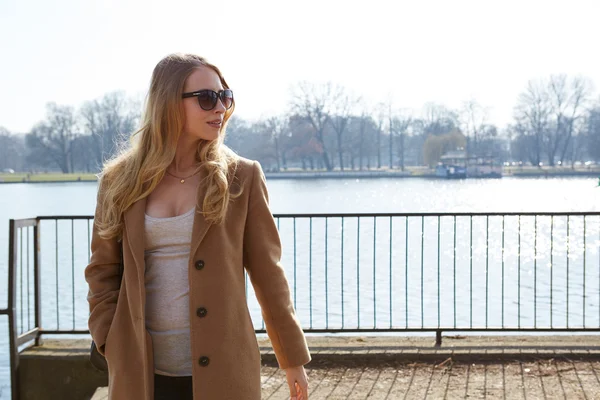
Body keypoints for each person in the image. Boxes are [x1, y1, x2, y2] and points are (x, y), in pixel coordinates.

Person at [85, 53, 311, 400]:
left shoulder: (241, 177)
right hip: (141, 372)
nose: (219, 108)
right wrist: (108, 339)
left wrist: (292, 358)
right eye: (206, 98)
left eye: (225, 97)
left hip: (224, 371)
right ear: (169, 103)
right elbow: (103, 271)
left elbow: (269, 275)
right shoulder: (119, 182)